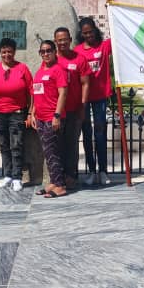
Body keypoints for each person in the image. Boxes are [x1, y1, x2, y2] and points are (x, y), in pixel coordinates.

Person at [0, 38, 32, 192]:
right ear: (0, 52)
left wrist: (31, 113)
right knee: (4, 145)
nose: (7, 54)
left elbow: (31, 92)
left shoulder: (22, 69)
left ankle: (17, 177)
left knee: (16, 145)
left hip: (17, 113)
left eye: (9, 51)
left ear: (14, 52)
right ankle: (8, 175)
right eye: (4, 51)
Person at [74, 17, 113, 185]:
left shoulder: (104, 46)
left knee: (100, 134)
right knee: (87, 135)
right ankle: (91, 171)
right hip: (83, 99)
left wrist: (112, 9)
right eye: (85, 33)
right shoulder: (77, 51)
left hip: (100, 97)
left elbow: (119, 35)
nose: (88, 35)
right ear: (81, 34)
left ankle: (103, 171)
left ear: (95, 30)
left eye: (90, 32)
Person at [30, 40, 69, 198]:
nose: (46, 54)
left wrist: (57, 115)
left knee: (52, 152)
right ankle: (53, 181)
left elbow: (63, 93)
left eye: (48, 51)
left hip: (52, 118)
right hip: (40, 117)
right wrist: (32, 113)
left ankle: (60, 186)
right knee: (48, 152)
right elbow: (36, 94)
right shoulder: (40, 71)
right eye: (43, 51)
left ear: (54, 52)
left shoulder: (58, 70)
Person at [54, 27, 90, 189]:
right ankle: (58, 176)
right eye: (59, 40)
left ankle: (71, 175)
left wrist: (83, 105)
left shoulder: (79, 59)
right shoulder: (51, 59)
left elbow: (85, 83)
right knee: (58, 144)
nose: (62, 42)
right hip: (57, 112)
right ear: (55, 42)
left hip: (75, 109)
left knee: (72, 144)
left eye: (64, 39)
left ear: (70, 40)